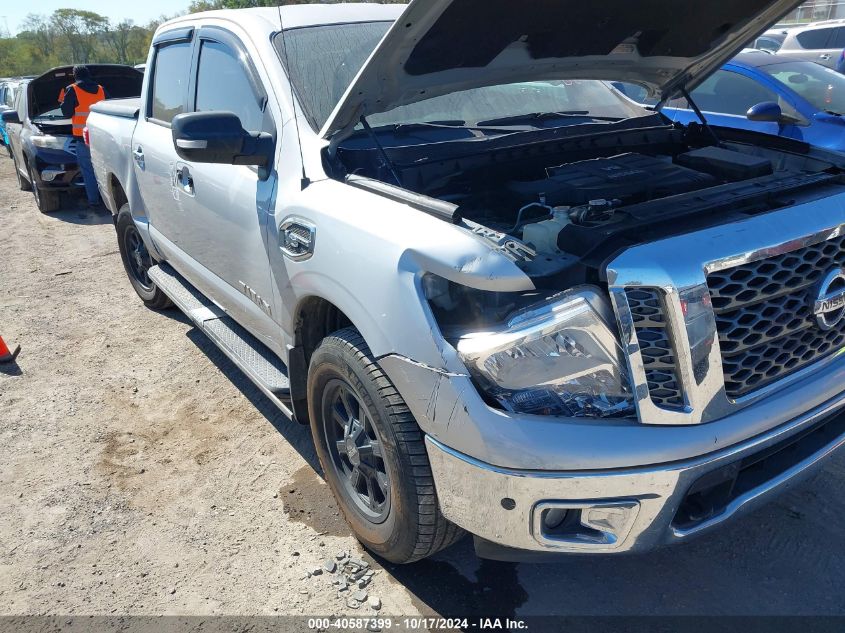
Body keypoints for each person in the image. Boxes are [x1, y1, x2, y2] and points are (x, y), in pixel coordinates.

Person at [59, 65, 107, 208]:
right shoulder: (101, 89)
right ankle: (109, 201)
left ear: (75, 75)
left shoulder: (72, 89)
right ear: (88, 74)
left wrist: (62, 101)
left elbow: (66, 113)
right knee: (105, 170)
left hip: (83, 139)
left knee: (88, 171)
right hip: (102, 137)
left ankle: (94, 202)